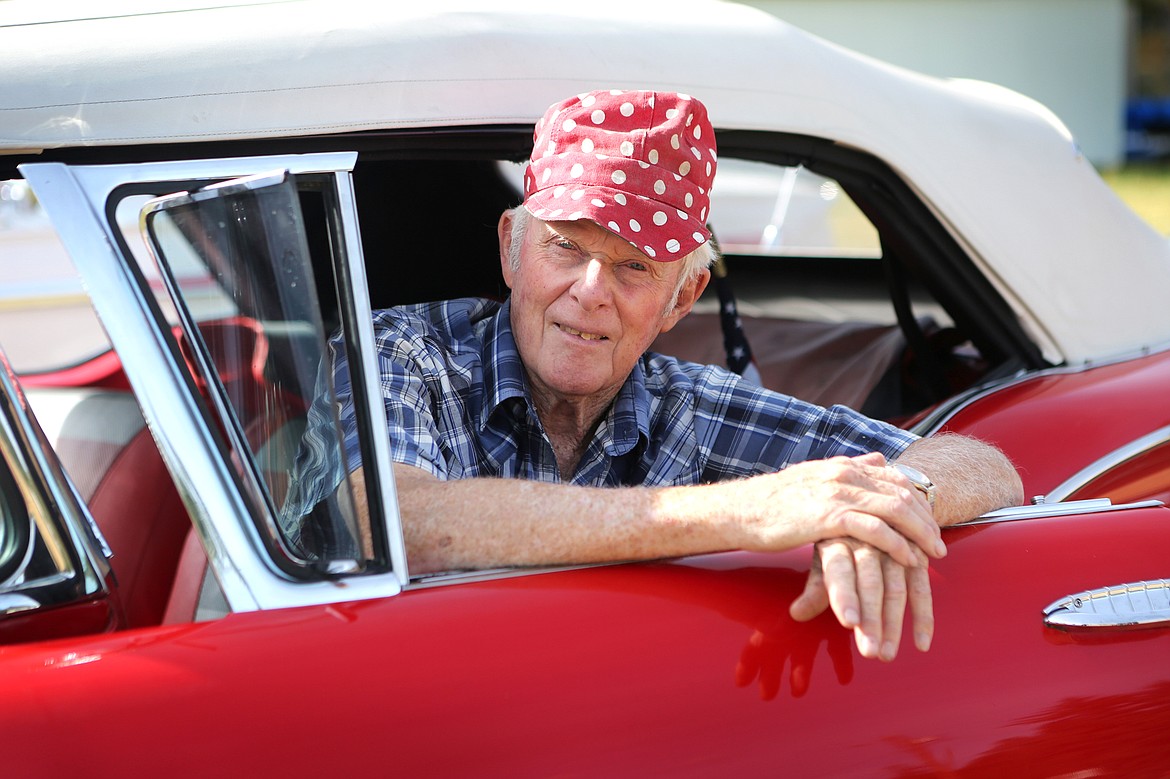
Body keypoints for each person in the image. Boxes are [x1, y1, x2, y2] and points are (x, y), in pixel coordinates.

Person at [294, 89, 1023, 662]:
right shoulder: (401, 351)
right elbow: (396, 518)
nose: (589, 289)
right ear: (512, 248)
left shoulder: (689, 403)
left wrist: (889, 503)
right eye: (563, 246)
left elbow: (985, 465)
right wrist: (748, 512)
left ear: (682, 298)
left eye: (633, 265)